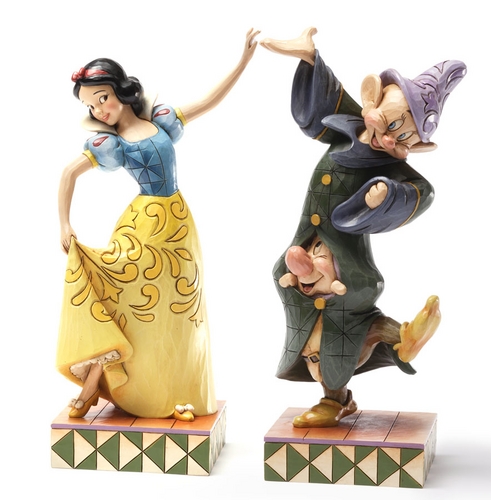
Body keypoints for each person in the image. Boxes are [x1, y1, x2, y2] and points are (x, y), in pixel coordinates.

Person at [261, 28, 465, 427]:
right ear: (371, 97)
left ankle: (337, 396)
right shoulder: (349, 122)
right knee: (301, 293)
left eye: (403, 137)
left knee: (339, 315)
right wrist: (310, 59)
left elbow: (421, 192)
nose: (387, 138)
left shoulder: (390, 166)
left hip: (343, 260)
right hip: (308, 242)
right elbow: (323, 102)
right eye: (389, 121)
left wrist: (385, 194)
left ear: (415, 147)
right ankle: (398, 338)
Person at [57, 29, 259, 420]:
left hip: (177, 225)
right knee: (126, 300)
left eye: (102, 97)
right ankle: (95, 381)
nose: (99, 109)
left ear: (120, 90)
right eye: (90, 105)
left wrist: (242, 62)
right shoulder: (111, 144)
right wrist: (64, 224)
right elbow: (68, 173)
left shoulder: (162, 120)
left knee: (177, 309)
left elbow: (209, 100)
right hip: (141, 226)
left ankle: (174, 392)